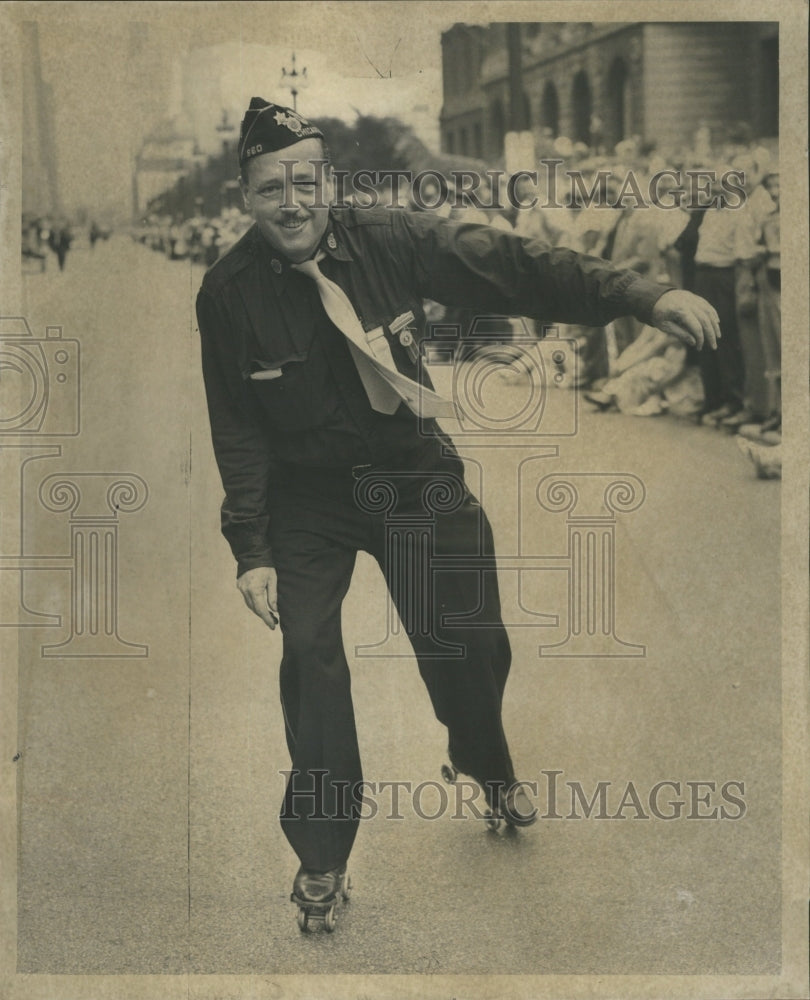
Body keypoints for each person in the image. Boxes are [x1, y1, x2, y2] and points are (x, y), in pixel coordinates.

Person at [196, 99, 720, 930]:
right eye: (269, 189)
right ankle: (322, 858)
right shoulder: (225, 295)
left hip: (411, 473)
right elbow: (238, 425)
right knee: (308, 652)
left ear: (329, 183)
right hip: (308, 501)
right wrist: (250, 548)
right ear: (246, 197)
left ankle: (481, 758)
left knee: (468, 644)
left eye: (305, 181)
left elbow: (514, 262)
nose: (291, 203)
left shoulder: (395, 238)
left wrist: (640, 295)